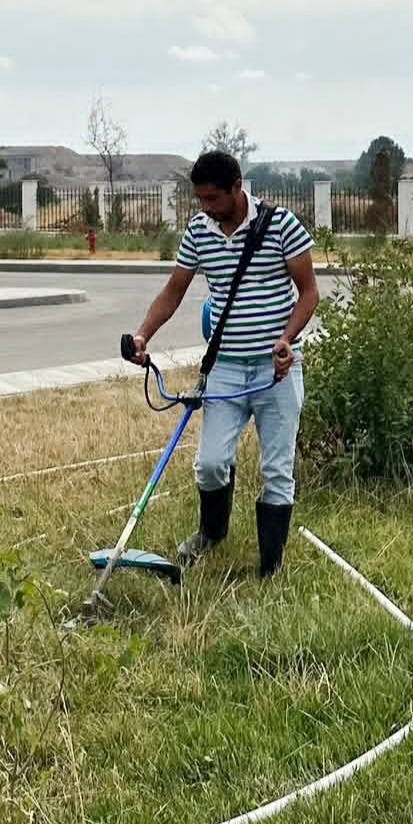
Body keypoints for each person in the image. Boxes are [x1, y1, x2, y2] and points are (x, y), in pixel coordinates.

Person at [127, 151, 320, 577]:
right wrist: (143, 335)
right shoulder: (199, 230)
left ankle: (270, 566)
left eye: (213, 198)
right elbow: (174, 291)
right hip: (225, 370)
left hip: (276, 371)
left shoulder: (282, 225)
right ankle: (212, 534)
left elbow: (308, 293)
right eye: (199, 199)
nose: (205, 208)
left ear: (238, 187)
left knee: (276, 469)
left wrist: (286, 340)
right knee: (211, 463)